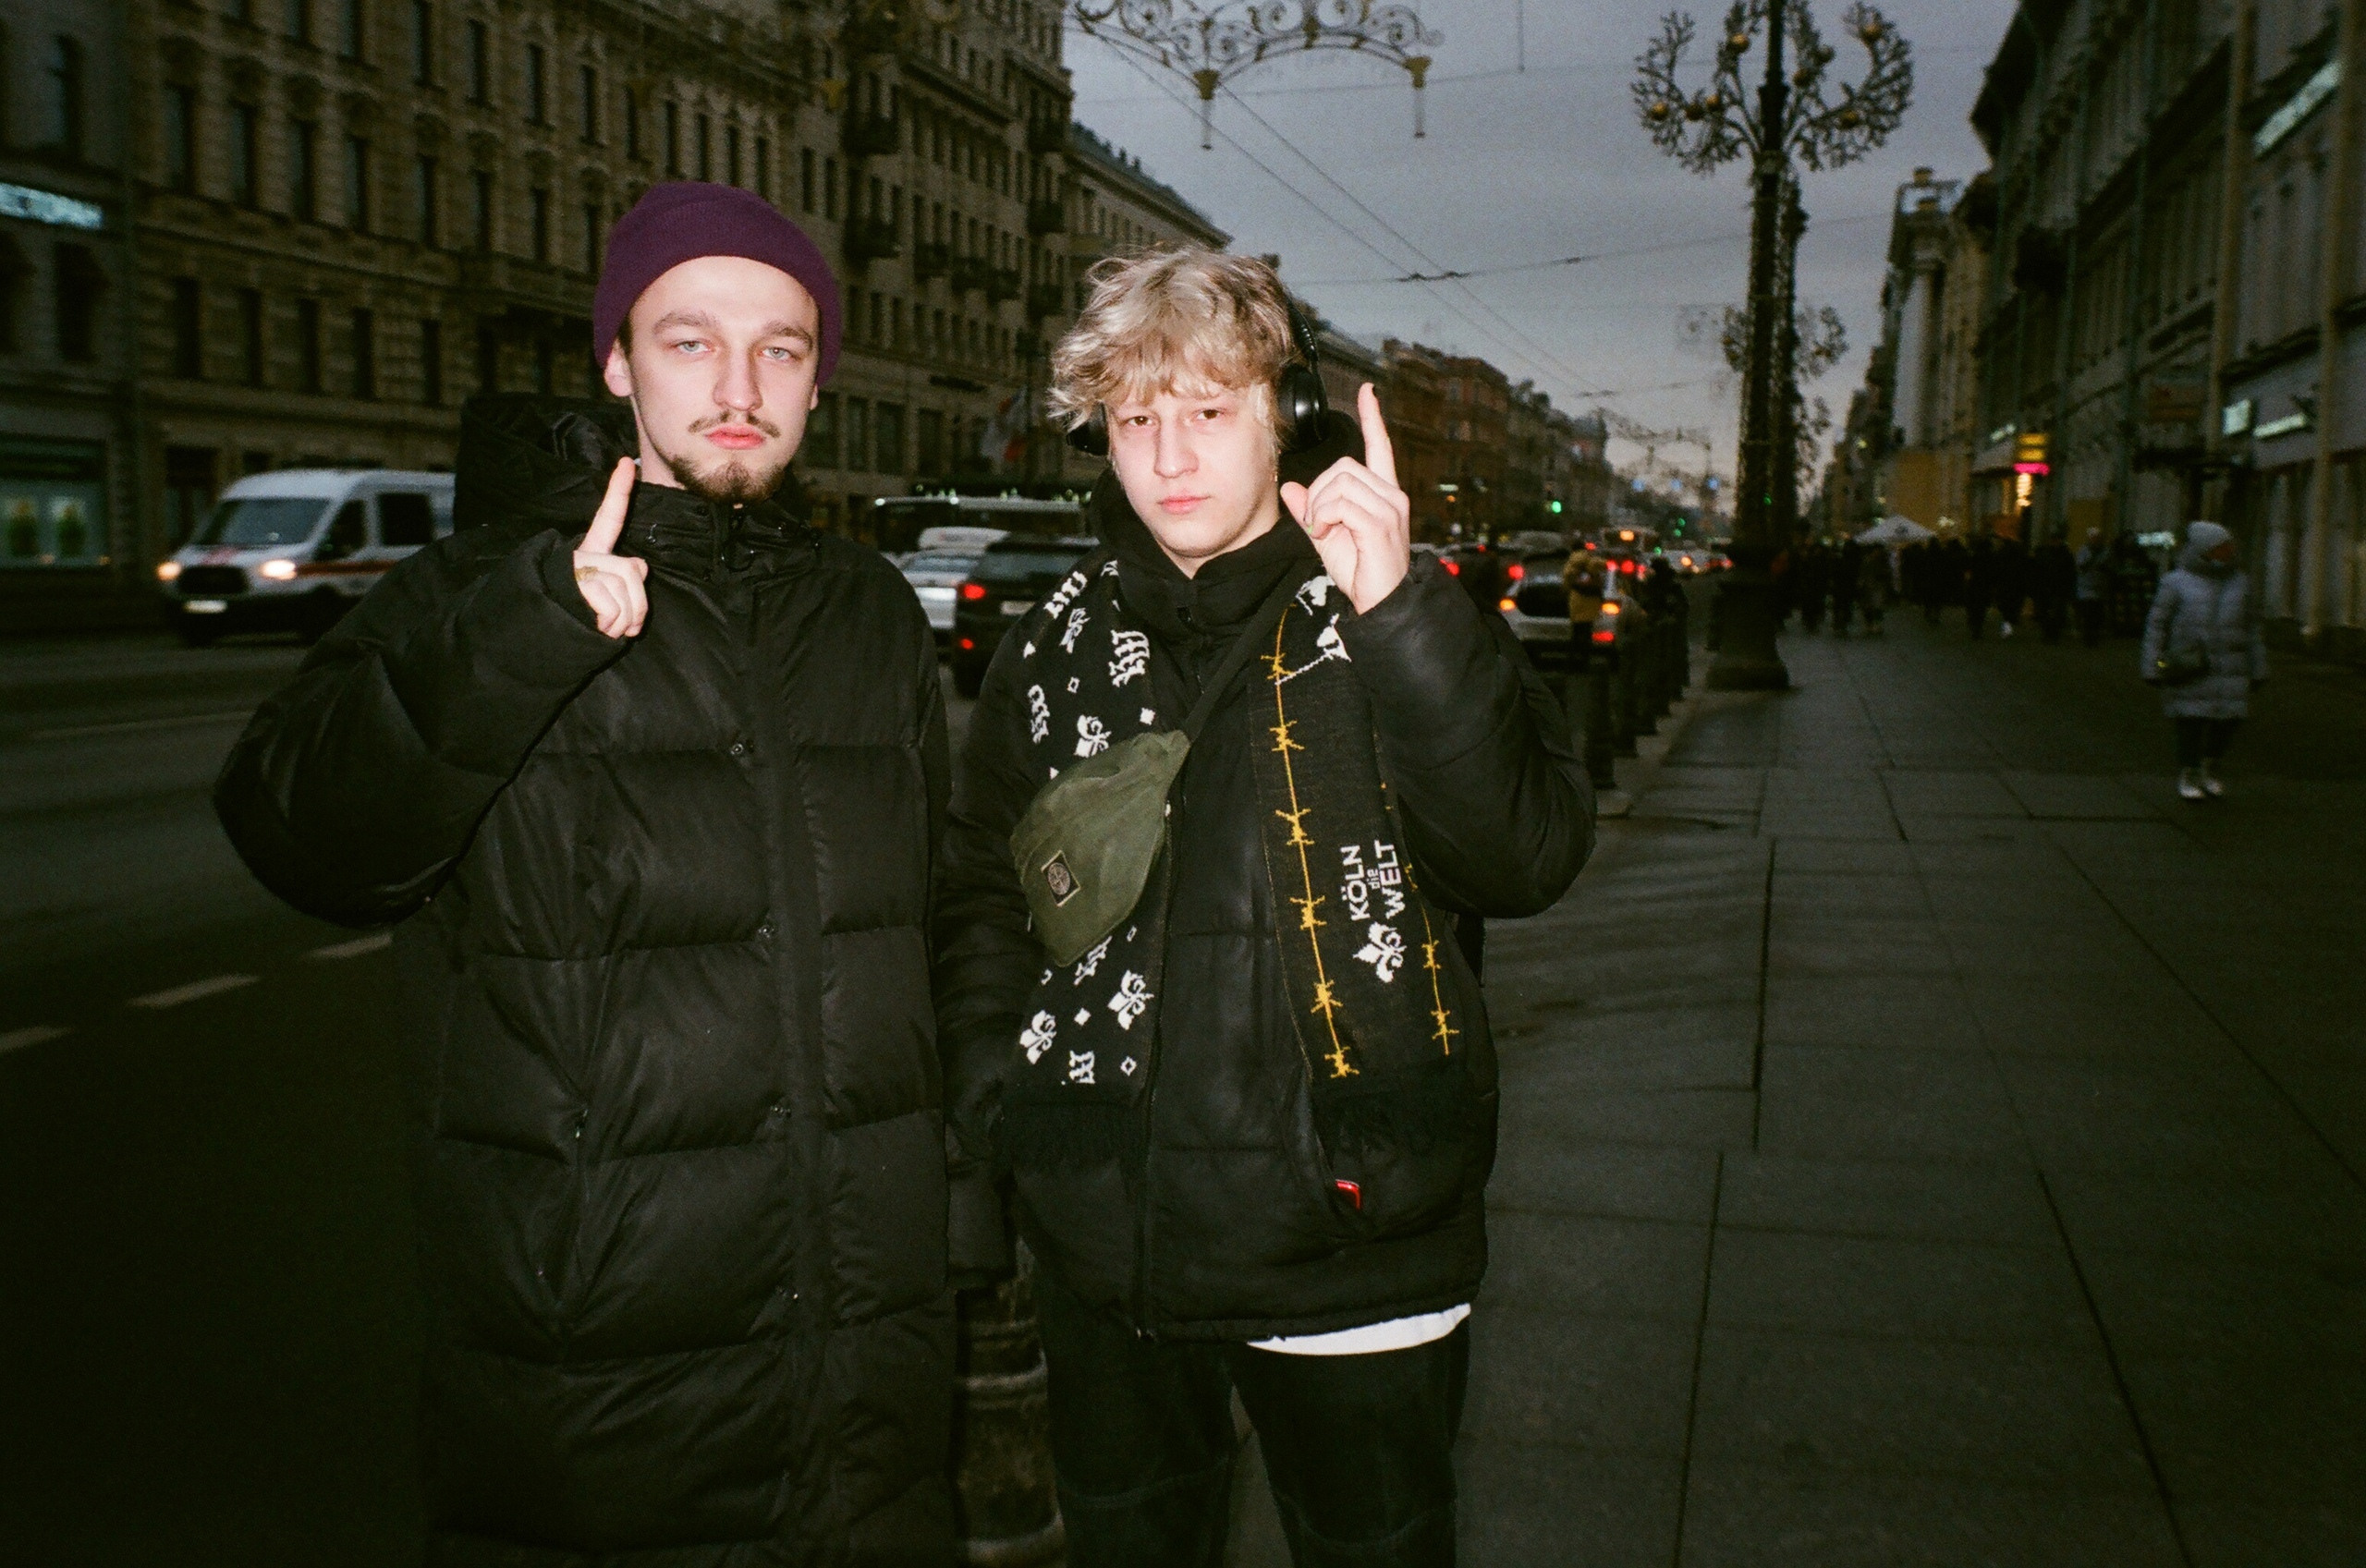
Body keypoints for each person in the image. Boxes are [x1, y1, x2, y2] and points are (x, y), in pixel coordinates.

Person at [213, 183, 957, 1564]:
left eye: (780, 349)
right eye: (690, 341)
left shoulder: (864, 614)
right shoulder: (486, 583)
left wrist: (959, 1217)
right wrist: (525, 630)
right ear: (616, 363)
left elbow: (934, 933)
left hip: (869, 1380)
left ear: (818, 379)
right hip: (600, 1379)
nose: (739, 385)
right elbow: (296, 831)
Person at [933, 250, 1593, 1568]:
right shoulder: (1055, 642)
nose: (1170, 455)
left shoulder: (1380, 599)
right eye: (1135, 419)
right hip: (1110, 1252)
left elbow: (1525, 855)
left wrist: (1402, 613)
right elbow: (978, 894)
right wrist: (1000, 1099)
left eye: (1208, 411)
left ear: (1279, 415)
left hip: (1354, 1259)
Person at [2141, 520, 2267, 800]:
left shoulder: (2240, 583)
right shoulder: (2175, 583)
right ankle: (2189, 772)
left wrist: (2258, 668)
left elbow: (2252, 629)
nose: (2229, 551)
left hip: (2231, 669)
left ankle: (2209, 768)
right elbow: (2157, 625)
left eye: (2228, 545)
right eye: (2221, 547)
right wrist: (2152, 665)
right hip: (2191, 667)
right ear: (2205, 550)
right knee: (2190, 722)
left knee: (2227, 723)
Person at [2031, 532, 2076, 642]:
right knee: (2044, 612)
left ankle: (2053, 634)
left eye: (2056, 540)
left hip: (2059, 588)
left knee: (2057, 612)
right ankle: (2048, 633)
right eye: (2053, 540)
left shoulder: (2065, 554)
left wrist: (2068, 587)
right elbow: (2038, 570)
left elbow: (2070, 572)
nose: (2054, 542)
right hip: (2045, 587)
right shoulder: (2045, 553)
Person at [2074, 528, 2112, 646]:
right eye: (2094, 538)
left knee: (2097, 615)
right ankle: (2088, 637)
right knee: (2088, 614)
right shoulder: (2084, 550)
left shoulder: (2105, 551)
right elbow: (2081, 566)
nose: (2096, 540)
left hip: (2100, 588)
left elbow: (2109, 566)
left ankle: (2094, 636)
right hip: (2086, 587)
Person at [1990, 532, 2030, 638]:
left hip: (2005, 584)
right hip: (2017, 584)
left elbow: (1996, 569)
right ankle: (2011, 623)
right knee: (2013, 605)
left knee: (2005, 608)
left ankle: (2007, 628)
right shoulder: (2021, 555)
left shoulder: (2001, 554)